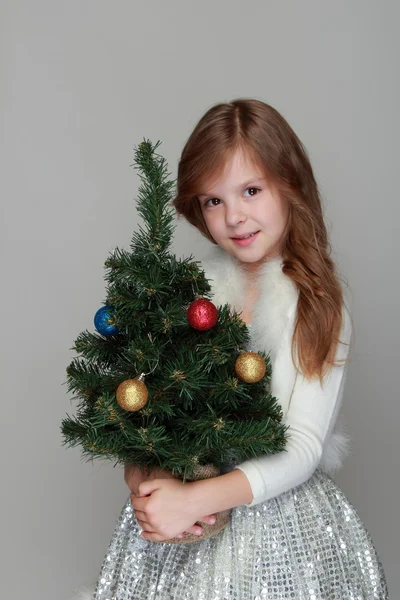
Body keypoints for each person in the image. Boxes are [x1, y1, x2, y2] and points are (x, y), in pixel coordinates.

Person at [80, 99, 388, 599]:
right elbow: (143, 418)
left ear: (291, 186)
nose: (235, 217)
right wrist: (149, 485)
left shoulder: (312, 304)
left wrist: (194, 499)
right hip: (186, 521)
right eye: (213, 201)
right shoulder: (192, 294)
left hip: (279, 531)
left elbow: (302, 448)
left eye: (250, 190)